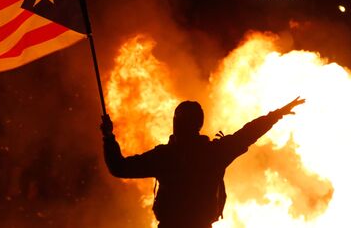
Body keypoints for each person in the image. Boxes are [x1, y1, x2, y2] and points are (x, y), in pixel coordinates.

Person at [101, 96, 305, 228]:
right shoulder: (214, 153)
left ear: (176, 123)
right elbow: (247, 134)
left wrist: (109, 137)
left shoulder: (164, 156)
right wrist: (276, 115)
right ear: (198, 124)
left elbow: (119, 167)